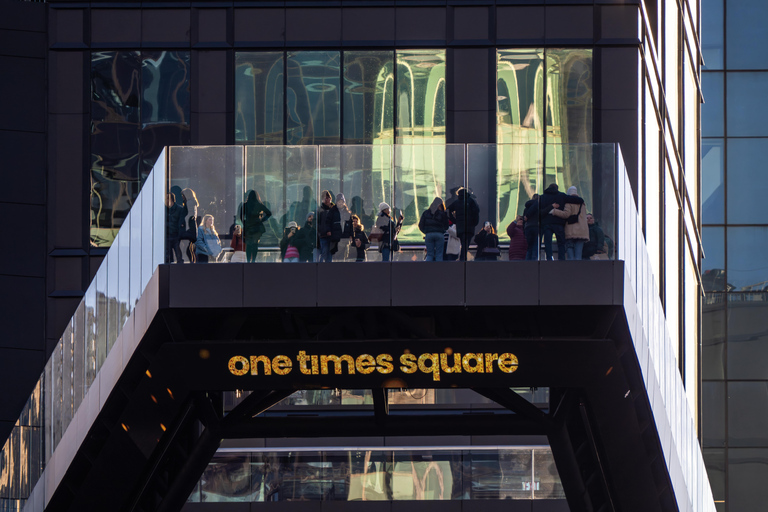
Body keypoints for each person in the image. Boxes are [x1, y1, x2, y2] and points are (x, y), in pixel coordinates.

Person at [549, 186, 588, 260]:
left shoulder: (569, 202)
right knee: (578, 255)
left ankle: (571, 271)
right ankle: (577, 271)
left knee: (570, 256)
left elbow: (566, 214)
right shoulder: (582, 203)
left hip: (571, 231)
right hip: (582, 231)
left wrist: (554, 211)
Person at [239, 190, 272, 263]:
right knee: (255, 244)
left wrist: (244, 222)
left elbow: (241, 215)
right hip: (257, 226)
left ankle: (248, 260)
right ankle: (253, 259)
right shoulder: (259, 205)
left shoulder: (245, 205)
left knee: (248, 244)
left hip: (248, 226)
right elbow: (269, 213)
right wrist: (262, 220)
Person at [447, 187, 480, 261]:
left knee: (463, 243)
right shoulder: (471, 201)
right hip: (469, 227)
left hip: (460, 227)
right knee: (466, 244)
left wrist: (454, 220)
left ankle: (463, 258)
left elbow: (448, 210)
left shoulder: (456, 202)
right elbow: (476, 212)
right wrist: (475, 222)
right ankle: (463, 259)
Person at [539, 183, 568, 261]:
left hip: (547, 223)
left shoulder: (542, 197)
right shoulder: (562, 196)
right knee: (561, 243)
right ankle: (561, 259)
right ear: (557, 188)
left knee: (548, 243)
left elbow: (540, 212)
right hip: (559, 222)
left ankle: (549, 258)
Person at [418, 197, 449, 261]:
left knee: (429, 254)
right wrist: (442, 230)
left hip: (429, 234)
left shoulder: (426, 213)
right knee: (439, 254)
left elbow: (420, 225)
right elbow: (446, 226)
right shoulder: (442, 214)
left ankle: (427, 269)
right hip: (439, 234)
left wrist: (426, 232)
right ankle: (439, 270)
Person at [317, 190, 341, 262]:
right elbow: (317, 223)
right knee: (324, 252)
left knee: (330, 253)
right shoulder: (320, 210)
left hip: (332, 236)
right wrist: (321, 231)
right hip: (323, 235)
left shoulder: (335, 209)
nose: (326, 199)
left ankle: (329, 268)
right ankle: (321, 267)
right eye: (324, 198)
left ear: (330, 198)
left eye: (327, 197)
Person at [165, 192, 185, 264]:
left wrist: (181, 234)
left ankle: (180, 270)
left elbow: (182, 223)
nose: (166, 201)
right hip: (167, 235)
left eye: (168, 199)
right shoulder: (163, 209)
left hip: (176, 235)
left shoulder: (179, 209)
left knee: (178, 254)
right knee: (168, 256)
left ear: (172, 200)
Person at [336, 193, 354, 260]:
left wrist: (351, 235)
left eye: (342, 202)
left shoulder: (347, 213)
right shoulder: (333, 212)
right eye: (339, 202)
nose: (340, 203)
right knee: (335, 257)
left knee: (344, 257)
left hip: (345, 238)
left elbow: (351, 226)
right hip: (336, 238)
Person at [523, 194, 540, 260]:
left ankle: (528, 264)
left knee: (529, 248)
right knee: (535, 247)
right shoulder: (538, 206)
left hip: (528, 228)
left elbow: (524, 221)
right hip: (536, 227)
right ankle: (534, 264)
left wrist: (524, 231)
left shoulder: (526, 208)